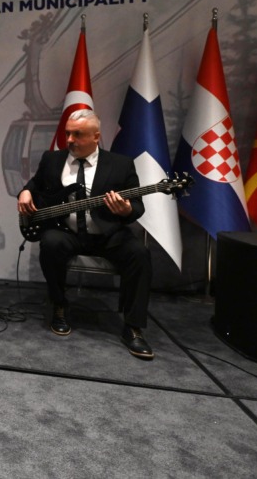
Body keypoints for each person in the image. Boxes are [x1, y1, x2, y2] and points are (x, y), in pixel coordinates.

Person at [17, 109, 154, 360]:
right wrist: (25, 192)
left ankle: (133, 327)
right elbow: (35, 183)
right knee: (50, 243)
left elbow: (137, 207)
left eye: (78, 134)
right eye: (68, 133)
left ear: (96, 137)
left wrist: (125, 209)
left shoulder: (121, 164)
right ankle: (59, 305)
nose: (70, 140)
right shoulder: (52, 159)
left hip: (107, 235)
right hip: (66, 232)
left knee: (139, 254)